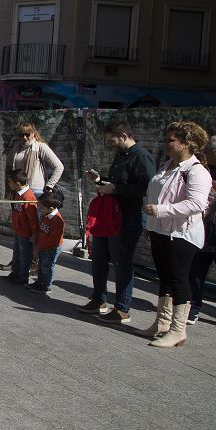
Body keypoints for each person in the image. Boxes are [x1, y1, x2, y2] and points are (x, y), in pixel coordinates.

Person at [136, 122, 211, 347]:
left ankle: (178, 330)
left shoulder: (196, 171)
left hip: (181, 233)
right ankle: (161, 323)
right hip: (161, 230)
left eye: (171, 140)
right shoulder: (167, 165)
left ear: (186, 144)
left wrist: (161, 211)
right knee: (165, 278)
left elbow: (196, 203)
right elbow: (155, 195)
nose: (166, 144)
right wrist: (151, 225)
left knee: (179, 279)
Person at [79, 119, 155, 322]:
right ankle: (98, 299)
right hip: (109, 214)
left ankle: (122, 307)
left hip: (127, 217)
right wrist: (100, 180)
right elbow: (117, 183)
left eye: (112, 141)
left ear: (124, 136)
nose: (110, 145)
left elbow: (147, 188)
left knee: (121, 262)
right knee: (99, 257)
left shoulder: (141, 157)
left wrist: (116, 189)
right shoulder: (121, 155)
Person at [188, 135, 216, 323]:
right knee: (195, 273)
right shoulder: (205, 172)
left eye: (208, 151)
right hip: (204, 232)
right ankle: (194, 307)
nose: (204, 154)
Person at [11, 122, 64, 197]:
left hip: (36, 190)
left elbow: (59, 167)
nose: (24, 137)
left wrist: (49, 185)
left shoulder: (40, 146)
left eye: (27, 134)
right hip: (19, 190)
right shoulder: (16, 148)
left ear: (33, 133)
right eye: (21, 135)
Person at [5, 169, 39, 284]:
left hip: (25, 232)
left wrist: (34, 234)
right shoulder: (18, 195)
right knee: (17, 253)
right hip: (19, 230)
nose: (9, 184)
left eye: (10, 182)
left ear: (17, 183)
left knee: (25, 256)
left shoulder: (28, 197)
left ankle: (23, 277)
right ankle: (15, 273)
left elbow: (32, 218)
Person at [30, 191, 65, 294]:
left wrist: (43, 247)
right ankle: (40, 281)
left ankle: (46, 285)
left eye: (42, 207)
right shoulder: (46, 215)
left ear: (50, 208)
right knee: (41, 266)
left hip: (51, 248)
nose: (40, 209)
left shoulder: (57, 220)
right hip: (43, 246)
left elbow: (54, 239)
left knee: (47, 267)